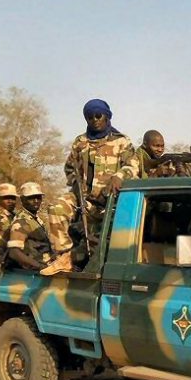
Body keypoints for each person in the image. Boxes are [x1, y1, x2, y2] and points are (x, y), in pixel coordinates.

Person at [47, 99, 140, 273]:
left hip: (111, 202)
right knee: (56, 209)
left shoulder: (121, 141)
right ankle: (64, 256)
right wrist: (75, 184)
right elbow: (69, 167)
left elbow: (133, 166)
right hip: (84, 200)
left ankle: (81, 258)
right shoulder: (80, 142)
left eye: (98, 115)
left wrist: (119, 176)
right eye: (90, 117)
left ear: (107, 116)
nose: (95, 120)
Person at [7, 182, 57, 274]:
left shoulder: (36, 219)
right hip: (34, 273)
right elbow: (14, 252)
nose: (36, 201)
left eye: (38, 197)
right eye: (31, 198)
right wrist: (40, 267)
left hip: (47, 265)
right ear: (22, 199)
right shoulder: (21, 222)